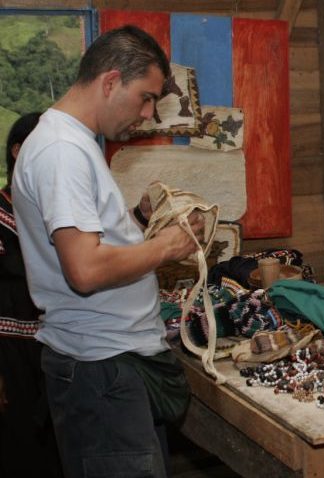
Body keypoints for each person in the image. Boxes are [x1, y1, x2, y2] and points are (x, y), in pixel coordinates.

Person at [12, 26, 205, 478]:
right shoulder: (63, 150)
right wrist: (166, 247)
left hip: (107, 366)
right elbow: (84, 268)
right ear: (110, 81)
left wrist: (137, 225)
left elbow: (87, 245)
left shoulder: (72, 142)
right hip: (99, 371)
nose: (149, 113)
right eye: (145, 97)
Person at [1, 112, 63, 478]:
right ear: (16, 151)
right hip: (9, 353)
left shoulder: (57, 214)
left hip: (51, 348)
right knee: (18, 447)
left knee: (55, 447)